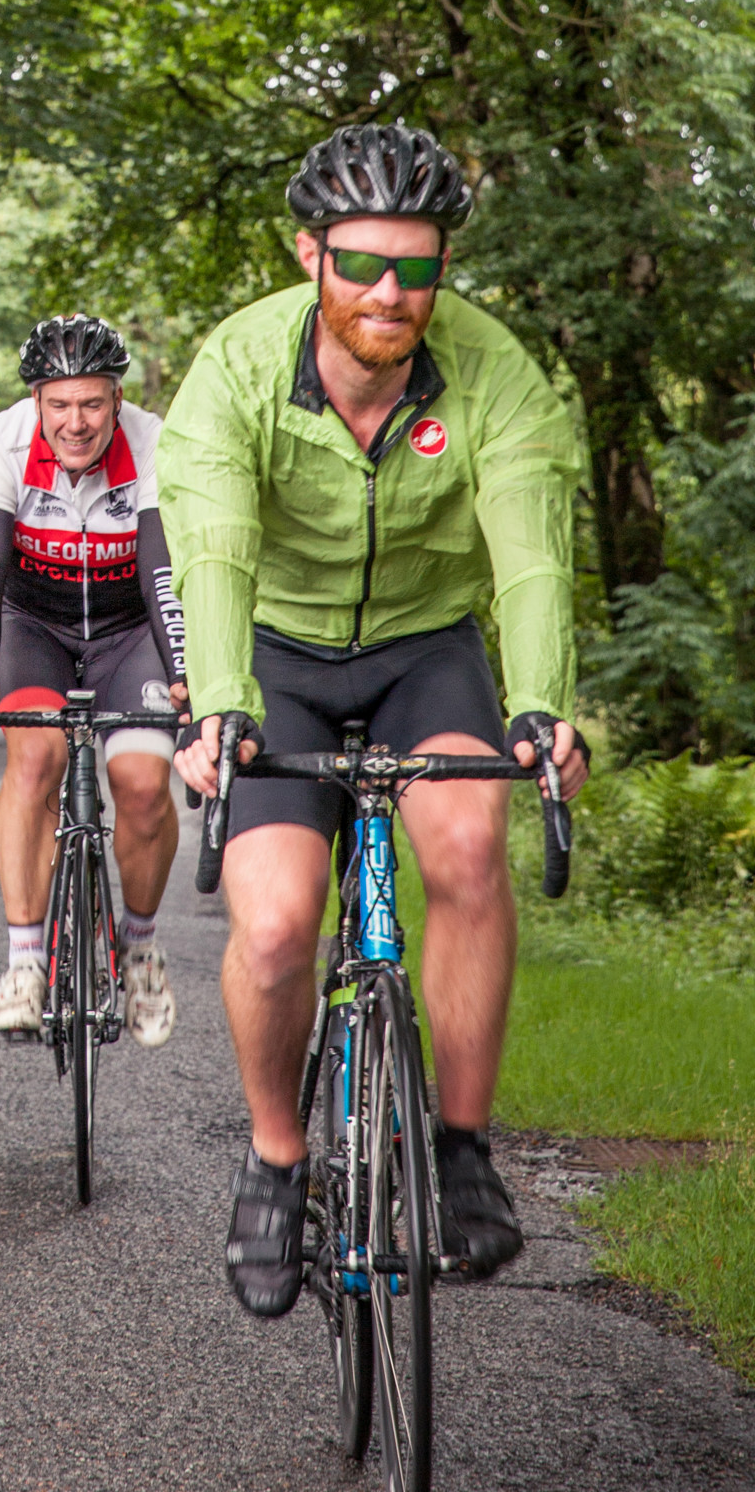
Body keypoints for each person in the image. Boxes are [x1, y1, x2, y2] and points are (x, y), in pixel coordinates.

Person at [158, 121, 589, 1320]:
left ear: (443, 267)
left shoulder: (493, 370)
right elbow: (216, 552)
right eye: (362, 264)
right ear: (312, 257)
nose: (390, 293)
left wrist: (546, 704)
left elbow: (531, 556)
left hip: (424, 652)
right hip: (278, 659)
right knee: (283, 922)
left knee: (461, 846)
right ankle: (276, 1161)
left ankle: (460, 1152)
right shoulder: (237, 368)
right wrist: (222, 707)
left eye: (417, 265)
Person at [0, 313, 188, 1044]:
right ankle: (24, 963)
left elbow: (163, 573)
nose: (74, 422)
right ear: (37, 401)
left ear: (117, 399)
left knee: (144, 784)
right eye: (59, 404)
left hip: (129, 630)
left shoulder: (153, 442)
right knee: (37, 757)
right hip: (34, 629)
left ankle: (139, 947)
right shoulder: (5, 442)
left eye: (91, 403)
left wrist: (183, 674)